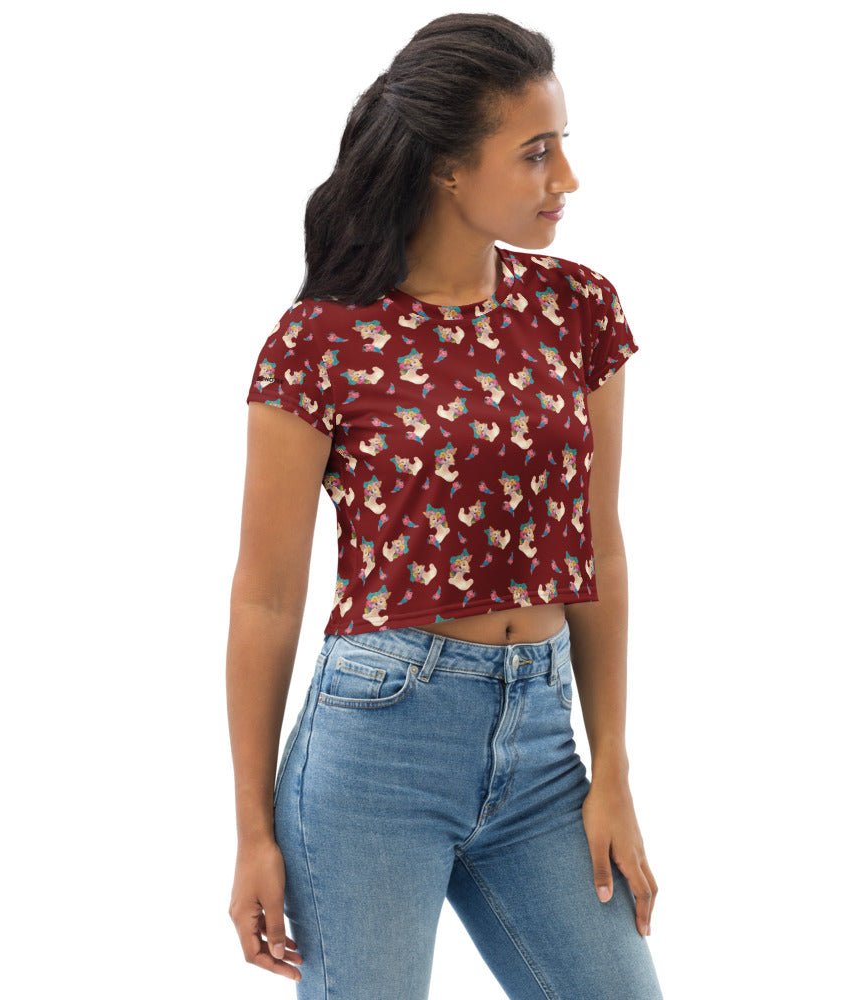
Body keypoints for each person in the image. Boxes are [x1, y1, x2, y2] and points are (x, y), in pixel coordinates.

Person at [226, 13, 662, 1000]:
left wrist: (613, 770)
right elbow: (264, 596)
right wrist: (252, 830)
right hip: (376, 749)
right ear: (446, 169)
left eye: (562, 145)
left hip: (543, 746)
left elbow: (598, 546)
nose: (566, 178)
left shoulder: (577, 309)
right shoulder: (319, 343)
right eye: (535, 152)